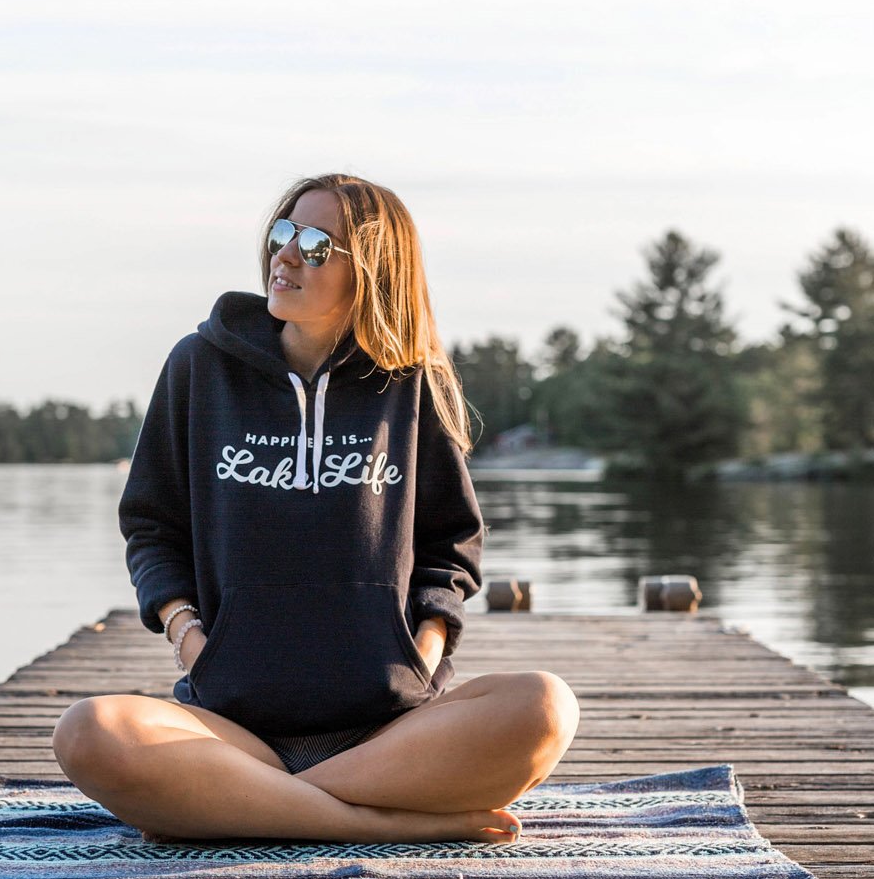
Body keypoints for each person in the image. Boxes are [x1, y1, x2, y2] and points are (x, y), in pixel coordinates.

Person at [53, 173, 579, 843]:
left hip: (390, 732)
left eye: (315, 244)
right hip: (232, 726)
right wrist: (193, 644)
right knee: (90, 734)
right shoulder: (198, 367)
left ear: (373, 272)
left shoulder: (412, 384)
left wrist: (425, 647)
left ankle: (247, 805)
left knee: (544, 707)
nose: (287, 255)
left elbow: (452, 542)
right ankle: (383, 826)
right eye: (282, 234)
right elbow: (153, 527)